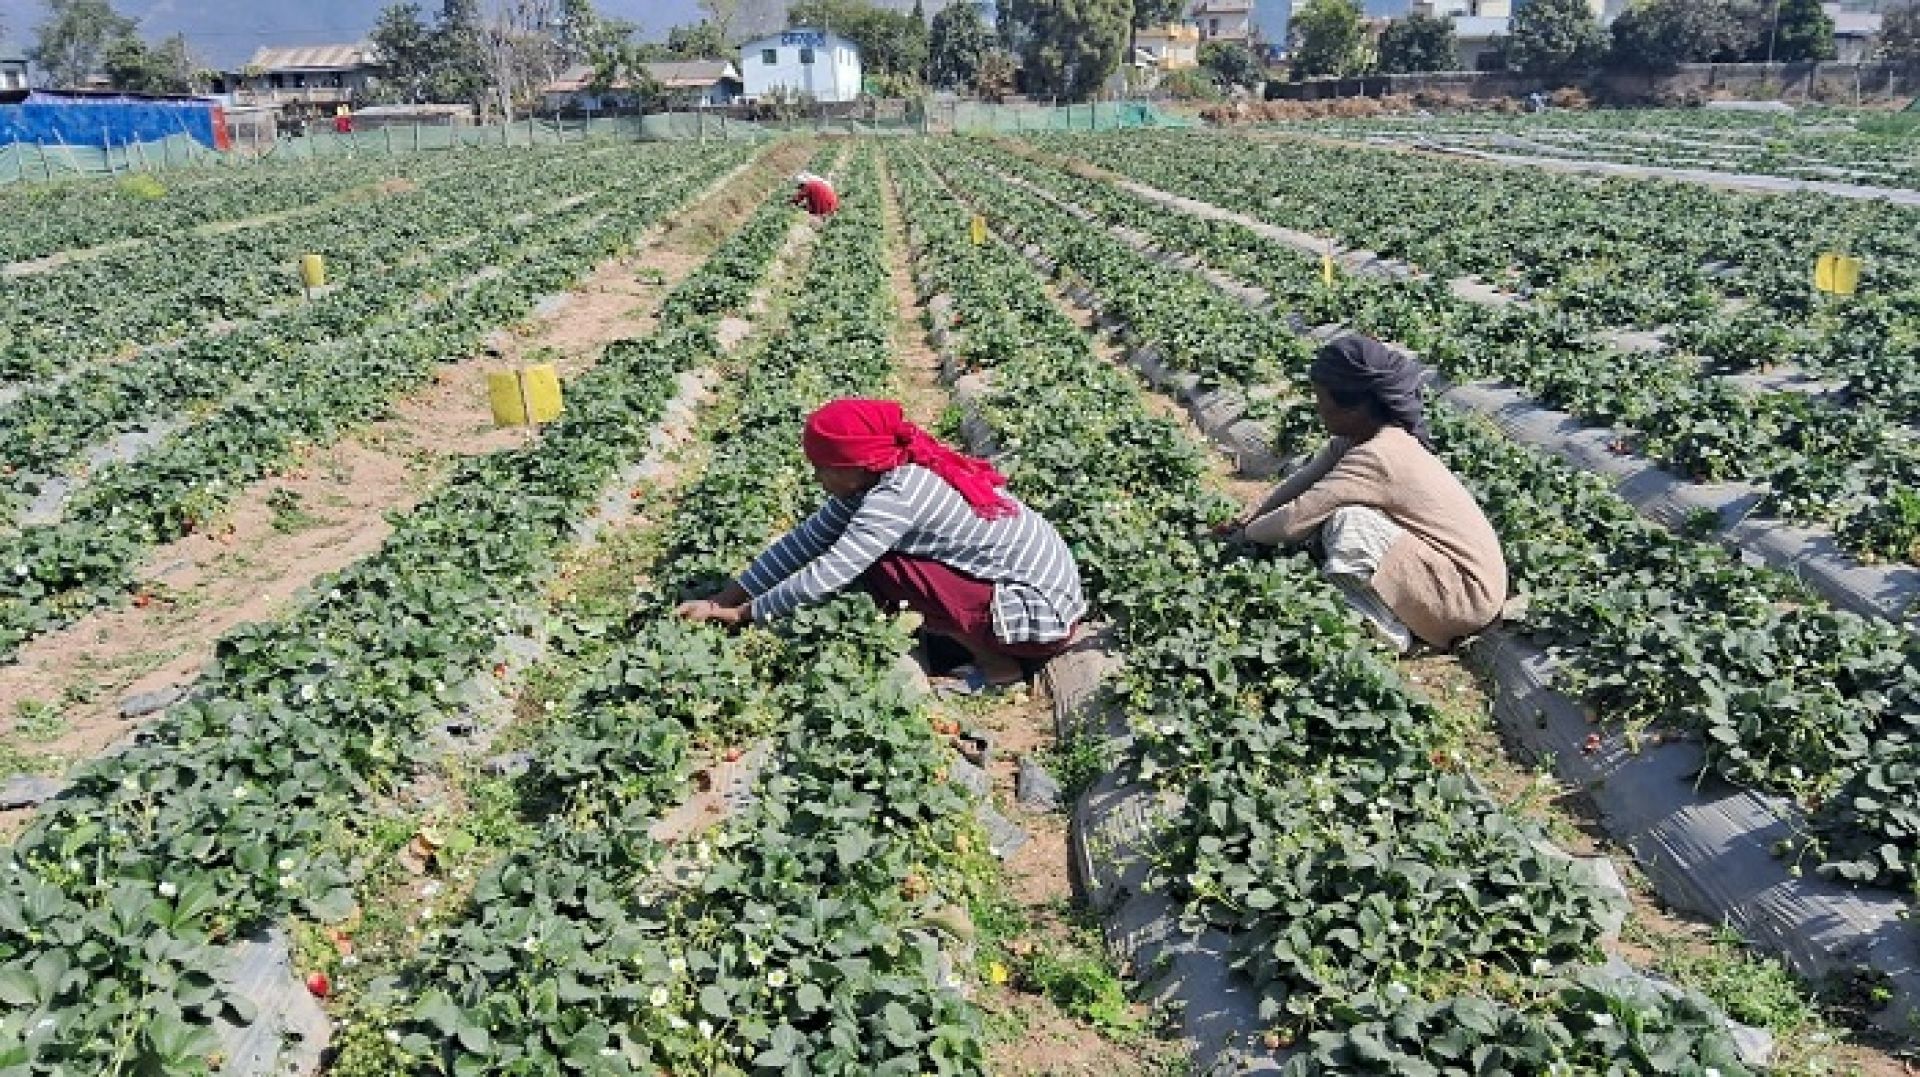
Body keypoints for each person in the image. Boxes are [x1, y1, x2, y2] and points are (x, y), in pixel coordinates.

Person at [677, 398, 1086, 689]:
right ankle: (964, 639)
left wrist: (743, 615)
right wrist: (720, 600)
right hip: (1032, 596)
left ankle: (998, 665)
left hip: (1040, 617)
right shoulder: (876, 478)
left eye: (822, 469)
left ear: (854, 465)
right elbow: (802, 543)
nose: (817, 479)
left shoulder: (898, 494)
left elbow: (828, 573)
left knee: (882, 566)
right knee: (871, 556)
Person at [1221, 334, 1507, 653]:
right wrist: (1251, 515)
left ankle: (1384, 623)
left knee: (1348, 522)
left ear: (1354, 407)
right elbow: (1301, 482)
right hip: (1456, 584)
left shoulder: (1379, 454)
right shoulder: (1361, 439)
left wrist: (1245, 536)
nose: (1318, 408)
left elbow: (1294, 519)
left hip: (1465, 597)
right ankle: (1395, 609)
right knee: (1330, 523)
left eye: (1322, 398)